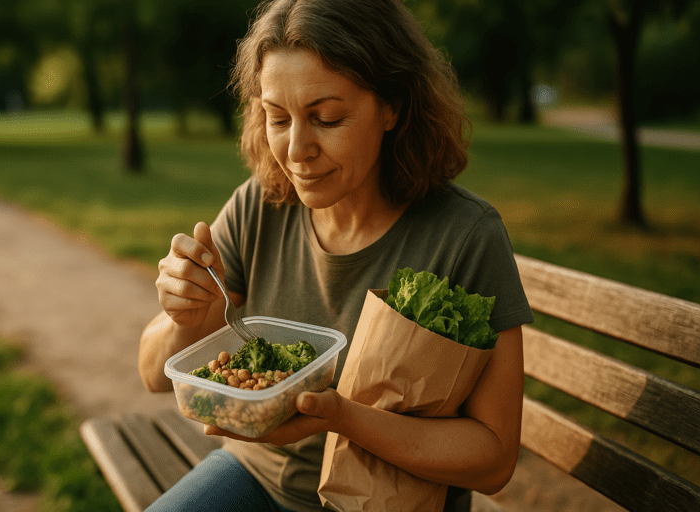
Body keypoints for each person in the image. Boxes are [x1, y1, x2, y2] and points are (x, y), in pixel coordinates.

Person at [138, 0, 534, 510]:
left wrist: (345, 419)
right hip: (255, 478)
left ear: (392, 106)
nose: (297, 150)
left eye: (326, 118)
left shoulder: (463, 237)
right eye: (277, 118)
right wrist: (182, 318)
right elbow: (153, 374)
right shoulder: (262, 203)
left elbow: (495, 459)